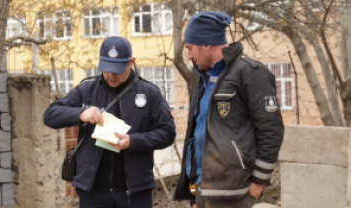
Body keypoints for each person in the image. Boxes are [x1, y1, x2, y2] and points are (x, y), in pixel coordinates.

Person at [44, 36, 176, 208]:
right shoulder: (87, 90)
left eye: (117, 70)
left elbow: (167, 133)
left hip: (135, 193)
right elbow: (50, 115)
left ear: (131, 62)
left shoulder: (149, 93)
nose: (111, 75)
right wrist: (81, 113)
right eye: (107, 69)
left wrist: (133, 141)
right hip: (93, 192)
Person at [174, 11, 284, 208]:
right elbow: (197, 136)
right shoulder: (203, 78)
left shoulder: (250, 72)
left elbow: (271, 129)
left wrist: (258, 181)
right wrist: (194, 192)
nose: (188, 55)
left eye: (190, 48)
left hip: (236, 192)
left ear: (206, 44)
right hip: (203, 189)